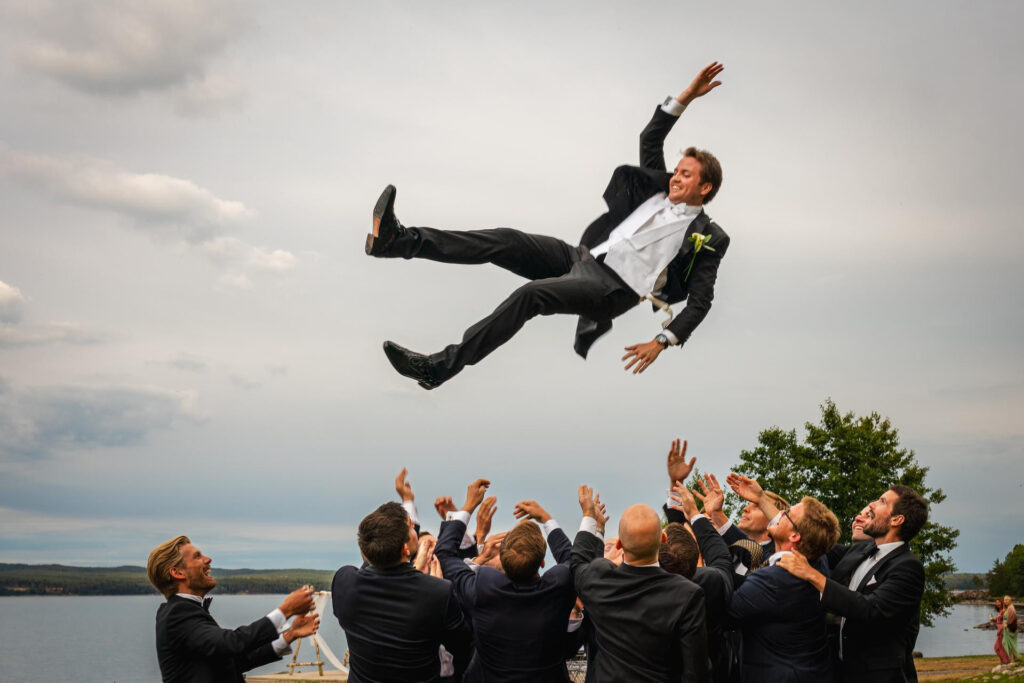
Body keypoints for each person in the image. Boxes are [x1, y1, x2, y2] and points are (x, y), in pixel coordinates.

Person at [365, 62, 729, 389]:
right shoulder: (656, 191)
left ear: (705, 187)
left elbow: (701, 302)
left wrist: (663, 341)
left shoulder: (709, 236)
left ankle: (437, 368)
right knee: (506, 240)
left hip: (612, 289)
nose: (675, 177)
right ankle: (397, 241)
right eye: (677, 171)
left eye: (686, 175)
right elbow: (650, 138)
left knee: (532, 295)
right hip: (582, 257)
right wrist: (687, 96)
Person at [778, 485, 929, 683]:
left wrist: (811, 575)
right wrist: (761, 500)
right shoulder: (862, 550)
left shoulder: (908, 566)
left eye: (882, 501)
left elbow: (870, 609)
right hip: (841, 671)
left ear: (896, 520)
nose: (871, 505)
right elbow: (811, 539)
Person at [434, 478, 577, 682]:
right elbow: (573, 559)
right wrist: (547, 519)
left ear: (503, 558)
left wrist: (468, 507)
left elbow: (445, 555)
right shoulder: (558, 587)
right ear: (542, 562)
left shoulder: (483, 589)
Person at [570, 486, 708, 682]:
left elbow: (578, 561)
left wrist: (589, 517)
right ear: (663, 539)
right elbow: (696, 671)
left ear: (620, 543)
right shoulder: (687, 593)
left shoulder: (600, 580)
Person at [332, 501, 472, 682]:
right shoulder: (438, 592)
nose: (414, 529)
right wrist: (426, 582)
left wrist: (414, 573)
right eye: (411, 527)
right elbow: (463, 645)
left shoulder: (344, 581)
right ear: (405, 548)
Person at [147, 535, 319, 683]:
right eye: (197, 556)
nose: (208, 559)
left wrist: (290, 634)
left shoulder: (184, 611)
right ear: (178, 573)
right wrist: (286, 610)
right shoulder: (177, 614)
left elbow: (234, 662)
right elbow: (232, 643)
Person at [726, 496, 840, 682]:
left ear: (795, 536)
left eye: (786, 513)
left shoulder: (774, 579)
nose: (779, 513)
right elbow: (757, 552)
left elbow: (724, 615)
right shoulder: (818, 562)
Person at [991, 597, 1011, 665]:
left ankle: (1006, 661)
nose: (997, 603)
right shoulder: (1000, 611)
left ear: (1002, 602)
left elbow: (1005, 622)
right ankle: (1004, 661)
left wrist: (1000, 631)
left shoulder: (1003, 611)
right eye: (996, 602)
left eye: (999, 602)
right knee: (1000, 647)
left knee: (997, 647)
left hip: (1002, 631)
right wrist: (993, 619)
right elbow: (999, 621)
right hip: (1000, 631)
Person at [1004, 595, 1019, 663]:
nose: (1005, 601)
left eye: (1007, 600)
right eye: (1004, 600)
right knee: (1009, 644)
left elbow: (1013, 615)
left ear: (1010, 600)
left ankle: (1014, 660)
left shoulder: (1011, 607)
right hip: (1008, 628)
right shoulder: (1008, 607)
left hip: (1010, 628)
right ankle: (1013, 659)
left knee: (1011, 644)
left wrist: (1007, 624)